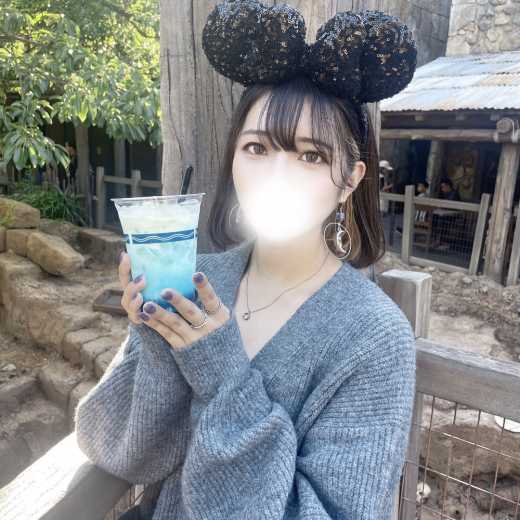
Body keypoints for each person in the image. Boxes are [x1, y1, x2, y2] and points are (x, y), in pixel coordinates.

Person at [75, 4, 417, 519]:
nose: (276, 175)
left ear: (350, 180)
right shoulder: (197, 282)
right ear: (233, 158)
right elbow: (116, 450)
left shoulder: (375, 338)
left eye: (311, 156)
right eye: (257, 148)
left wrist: (221, 373)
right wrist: (157, 336)